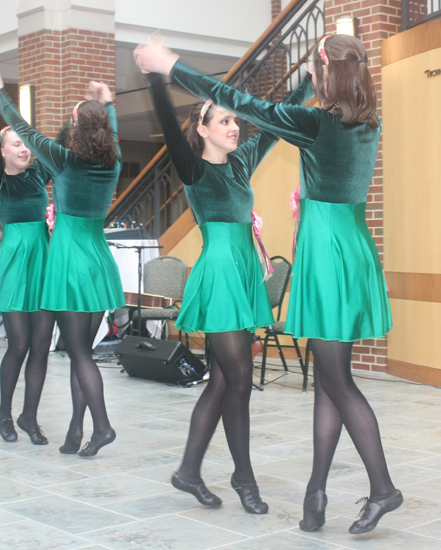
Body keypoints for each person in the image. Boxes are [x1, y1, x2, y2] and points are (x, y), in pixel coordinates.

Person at [134, 33, 402, 534]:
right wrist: (306, 80)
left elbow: (248, 104)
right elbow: (262, 114)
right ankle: (314, 494)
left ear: (329, 74)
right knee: (326, 379)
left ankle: (383, 489)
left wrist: (169, 65)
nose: (233, 125)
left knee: (335, 381)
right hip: (350, 246)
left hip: (328, 253)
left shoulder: (316, 125)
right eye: (223, 122)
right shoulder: (368, 123)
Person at [134, 44, 313, 514]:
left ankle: (191, 472)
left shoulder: (240, 162)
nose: (235, 128)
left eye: (236, 121)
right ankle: (242, 479)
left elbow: (275, 122)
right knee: (235, 378)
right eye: (225, 122)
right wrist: (155, 77)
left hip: (242, 275)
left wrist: (310, 79)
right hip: (218, 276)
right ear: (203, 128)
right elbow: (170, 130)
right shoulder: (195, 169)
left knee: (225, 381)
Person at [0, 67, 125, 458]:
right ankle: (77, 431)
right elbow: (112, 134)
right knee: (83, 353)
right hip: (99, 260)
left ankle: (103, 427)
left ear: (75, 127)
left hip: (69, 263)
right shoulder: (114, 163)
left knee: (79, 354)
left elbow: (23, 128)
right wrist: (107, 103)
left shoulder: (62, 161)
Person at [0, 76, 55, 446]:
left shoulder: (40, 173)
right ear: (4, 151)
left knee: (42, 346)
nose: (24, 148)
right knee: (19, 345)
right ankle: (5, 412)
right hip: (14, 264)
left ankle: (30, 416)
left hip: (42, 261)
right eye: (16, 144)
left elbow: (61, 155)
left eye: (26, 143)